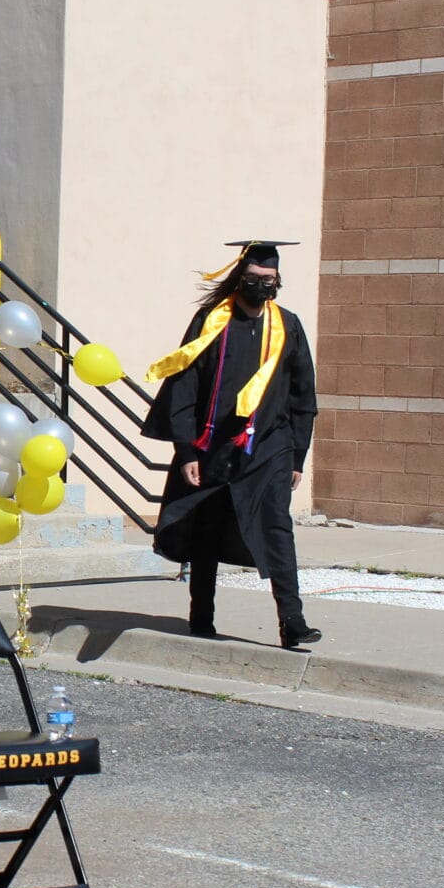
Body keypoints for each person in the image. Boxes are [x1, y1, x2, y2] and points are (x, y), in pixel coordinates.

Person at [142, 240, 321, 650]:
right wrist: (186, 449)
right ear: (240, 278)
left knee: (277, 527)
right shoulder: (212, 322)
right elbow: (184, 381)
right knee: (207, 529)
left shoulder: (288, 325)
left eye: (270, 280)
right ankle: (201, 615)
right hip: (212, 446)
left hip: (270, 448)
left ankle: (292, 621)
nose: (263, 286)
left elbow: (302, 395)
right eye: (256, 278)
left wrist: (297, 455)